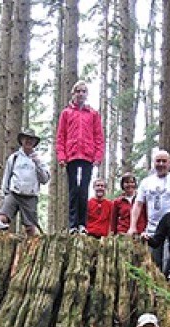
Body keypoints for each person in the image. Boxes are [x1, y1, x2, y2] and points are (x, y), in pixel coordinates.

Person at [56, 81, 105, 234]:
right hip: (71, 156)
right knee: (73, 190)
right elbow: (60, 136)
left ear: (87, 94)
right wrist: (61, 156)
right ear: (73, 93)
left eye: (84, 91)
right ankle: (72, 225)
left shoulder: (93, 114)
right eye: (78, 91)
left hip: (87, 156)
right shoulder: (66, 113)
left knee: (84, 189)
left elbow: (99, 136)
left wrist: (98, 156)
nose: (81, 94)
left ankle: (83, 224)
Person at [128, 150, 170, 269]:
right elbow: (138, 204)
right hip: (153, 230)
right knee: (154, 264)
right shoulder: (146, 182)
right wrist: (132, 226)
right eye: (158, 161)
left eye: (164, 161)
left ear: (169, 164)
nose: (161, 164)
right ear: (154, 163)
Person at [0, 130, 50, 236]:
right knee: (1, 218)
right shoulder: (14, 157)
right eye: (26, 138)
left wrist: (37, 163)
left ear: (35, 142)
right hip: (14, 194)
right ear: (21, 140)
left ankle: (30, 250)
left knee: (30, 228)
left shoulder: (39, 160)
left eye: (31, 139)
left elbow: (45, 179)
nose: (28, 141)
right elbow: (7, 176)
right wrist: (3, 194)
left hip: (30, 196)